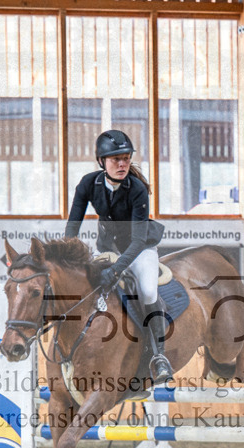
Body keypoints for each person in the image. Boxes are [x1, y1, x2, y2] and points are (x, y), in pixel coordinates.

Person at [64, 129, 173, 385]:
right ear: (101, 162)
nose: (122, 164)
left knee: (146, 291)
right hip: (108, 248)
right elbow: (73, 226)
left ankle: (159, 356)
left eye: (126, 158)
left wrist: (115, 270)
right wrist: (66, 255)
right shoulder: (88, 184)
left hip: (140, 250)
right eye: (116, 159)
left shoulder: (136, 190)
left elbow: (136, 241)